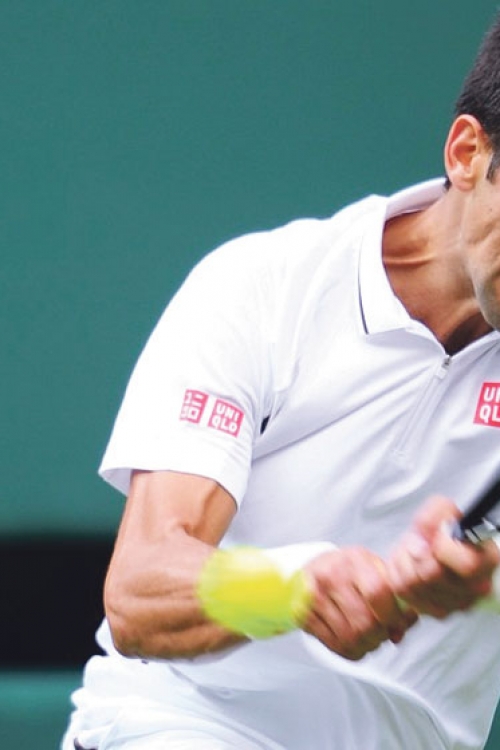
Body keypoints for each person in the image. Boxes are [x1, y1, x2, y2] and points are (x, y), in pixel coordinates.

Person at [63, 13, 500, 750]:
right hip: (182, 727)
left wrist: (481, 585)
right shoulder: (262, 287)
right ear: (467, 153)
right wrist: (295, 586)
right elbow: (139, 589)